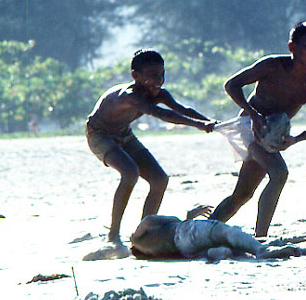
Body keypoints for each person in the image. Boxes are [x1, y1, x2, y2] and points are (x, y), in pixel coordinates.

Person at [209, 21, 306, 237]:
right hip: (249, 127)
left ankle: (203, 229)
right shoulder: (272, 66)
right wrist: (253, 114)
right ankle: (261, 238)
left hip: (272, 136)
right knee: (279, 173)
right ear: (293, 48)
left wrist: (295, 139)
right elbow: (231, 85)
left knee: (242, 194)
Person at [86, 49, 217, 244]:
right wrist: (198, 125)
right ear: (135, 76)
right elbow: (161, 114)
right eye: (153, 75)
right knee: (130, 173)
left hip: (124, 133)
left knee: (160, 179)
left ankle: (144, 232)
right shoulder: (129, 96)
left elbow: (182, 110)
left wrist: (210, 122)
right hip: (99, 134)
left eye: (162, 74)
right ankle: (113, 235)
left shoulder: (158, 94)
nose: (159, 80)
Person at [130, 205, 301, 260]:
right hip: (184, 231)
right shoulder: (136, 239)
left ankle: (220, 252)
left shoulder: (152, 252)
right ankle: (261, 250)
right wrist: (180, 218)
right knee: (226, 232)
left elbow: (172, 249)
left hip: (185, 249)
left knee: (221, 242)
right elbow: (149, 220)